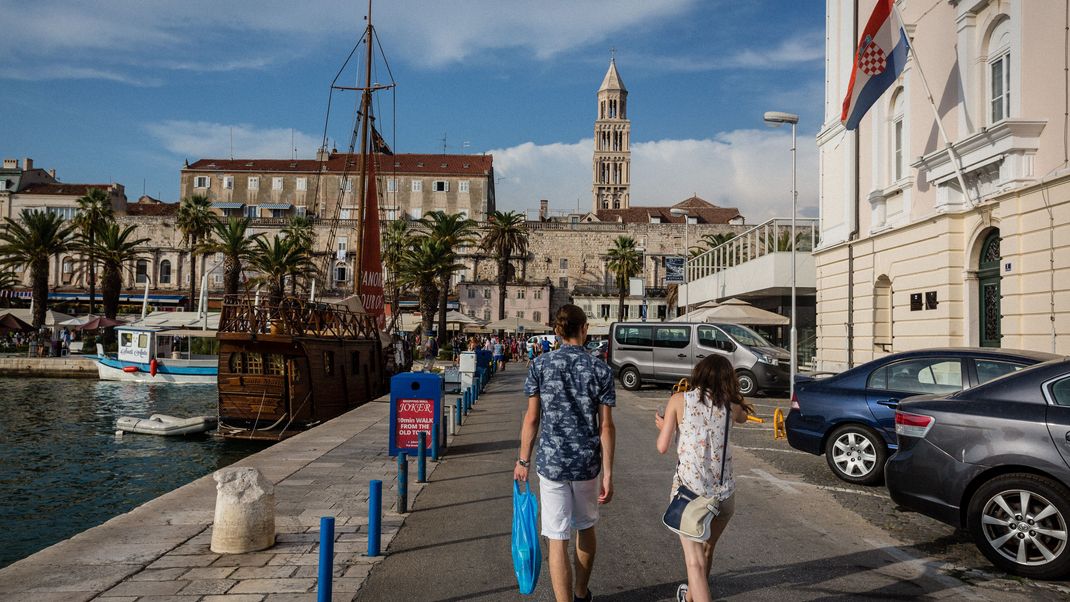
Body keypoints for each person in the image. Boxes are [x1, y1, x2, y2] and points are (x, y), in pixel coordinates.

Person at [515, 304, 615, 602]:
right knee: (585, 527)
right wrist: (608, 473)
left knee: (557, 537)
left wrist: (523, 460)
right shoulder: (601, 369)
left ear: (557, 331)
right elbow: (606, 427)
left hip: (552, 463)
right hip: (587, 463)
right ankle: (582, 592)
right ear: (584, 329)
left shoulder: (540, 366)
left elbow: (532, 418)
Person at [654, 355, 754, 602]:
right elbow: (743, 415)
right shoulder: (732, 405)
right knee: (707, 549)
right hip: (724, 496)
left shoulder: (679, 400)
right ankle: (689, 597)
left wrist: (665, 424)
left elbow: (662, 446)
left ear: (698, 374)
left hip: (691, 495)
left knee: (694, 562)